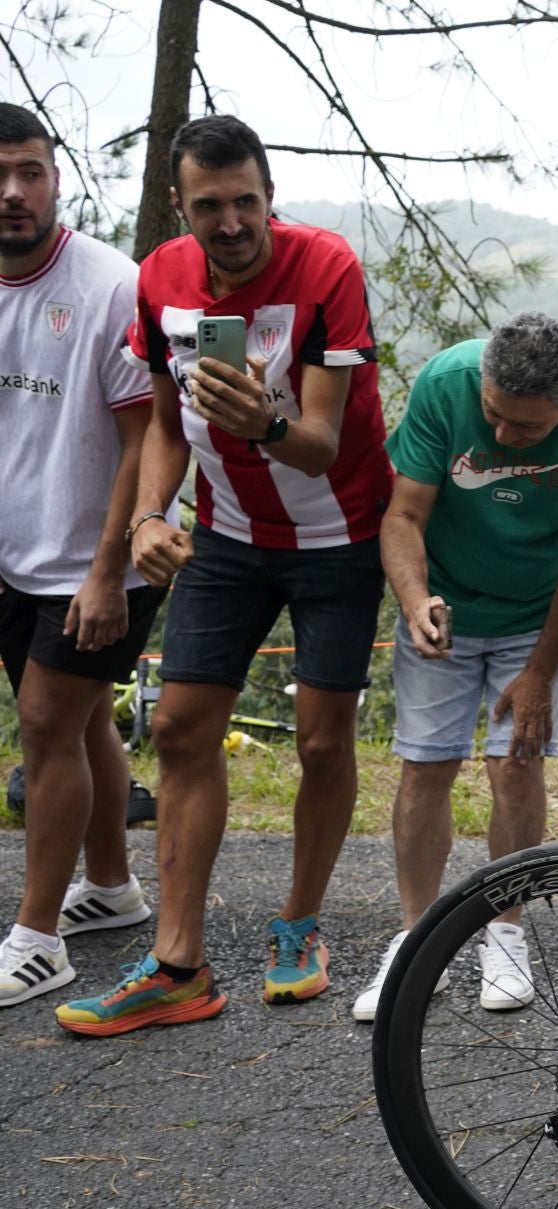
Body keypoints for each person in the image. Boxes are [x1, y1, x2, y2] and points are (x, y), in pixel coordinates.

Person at [56, 115, 392, 1035]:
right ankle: (177, 964)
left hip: (342, 535)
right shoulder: (162, 277)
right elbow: (164, 423)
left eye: (247, 201)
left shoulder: (326, 269)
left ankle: (300, 927)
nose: (231, 221)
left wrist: (265, 424)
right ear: (181, 206)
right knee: (177, 726)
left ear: (270, 196)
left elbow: (321, 445)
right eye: (210, 205)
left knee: (323, 744)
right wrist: (149, 518)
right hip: (229, 537)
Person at [350, 312, 558, 1020]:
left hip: (539, 613)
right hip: (443, 598)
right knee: (426, 764)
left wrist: (538, 670)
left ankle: (505, 931)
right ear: (482, 383)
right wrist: (415, 602)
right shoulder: (445, 384)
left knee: (516, 763)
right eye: (495, 416)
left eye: (528, 429)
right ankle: (419, 941)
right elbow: (404, 515)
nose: (504, 436)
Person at [0, 104, 166, 1007]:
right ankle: (110, 886)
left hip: (104, 557)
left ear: (57, 178)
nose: (13, 194)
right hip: (14, 554)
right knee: (86, 718)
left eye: (29, 171)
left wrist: (108, 573)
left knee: (46, 723)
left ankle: (37, 940)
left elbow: (144, 439)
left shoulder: (109, 284)